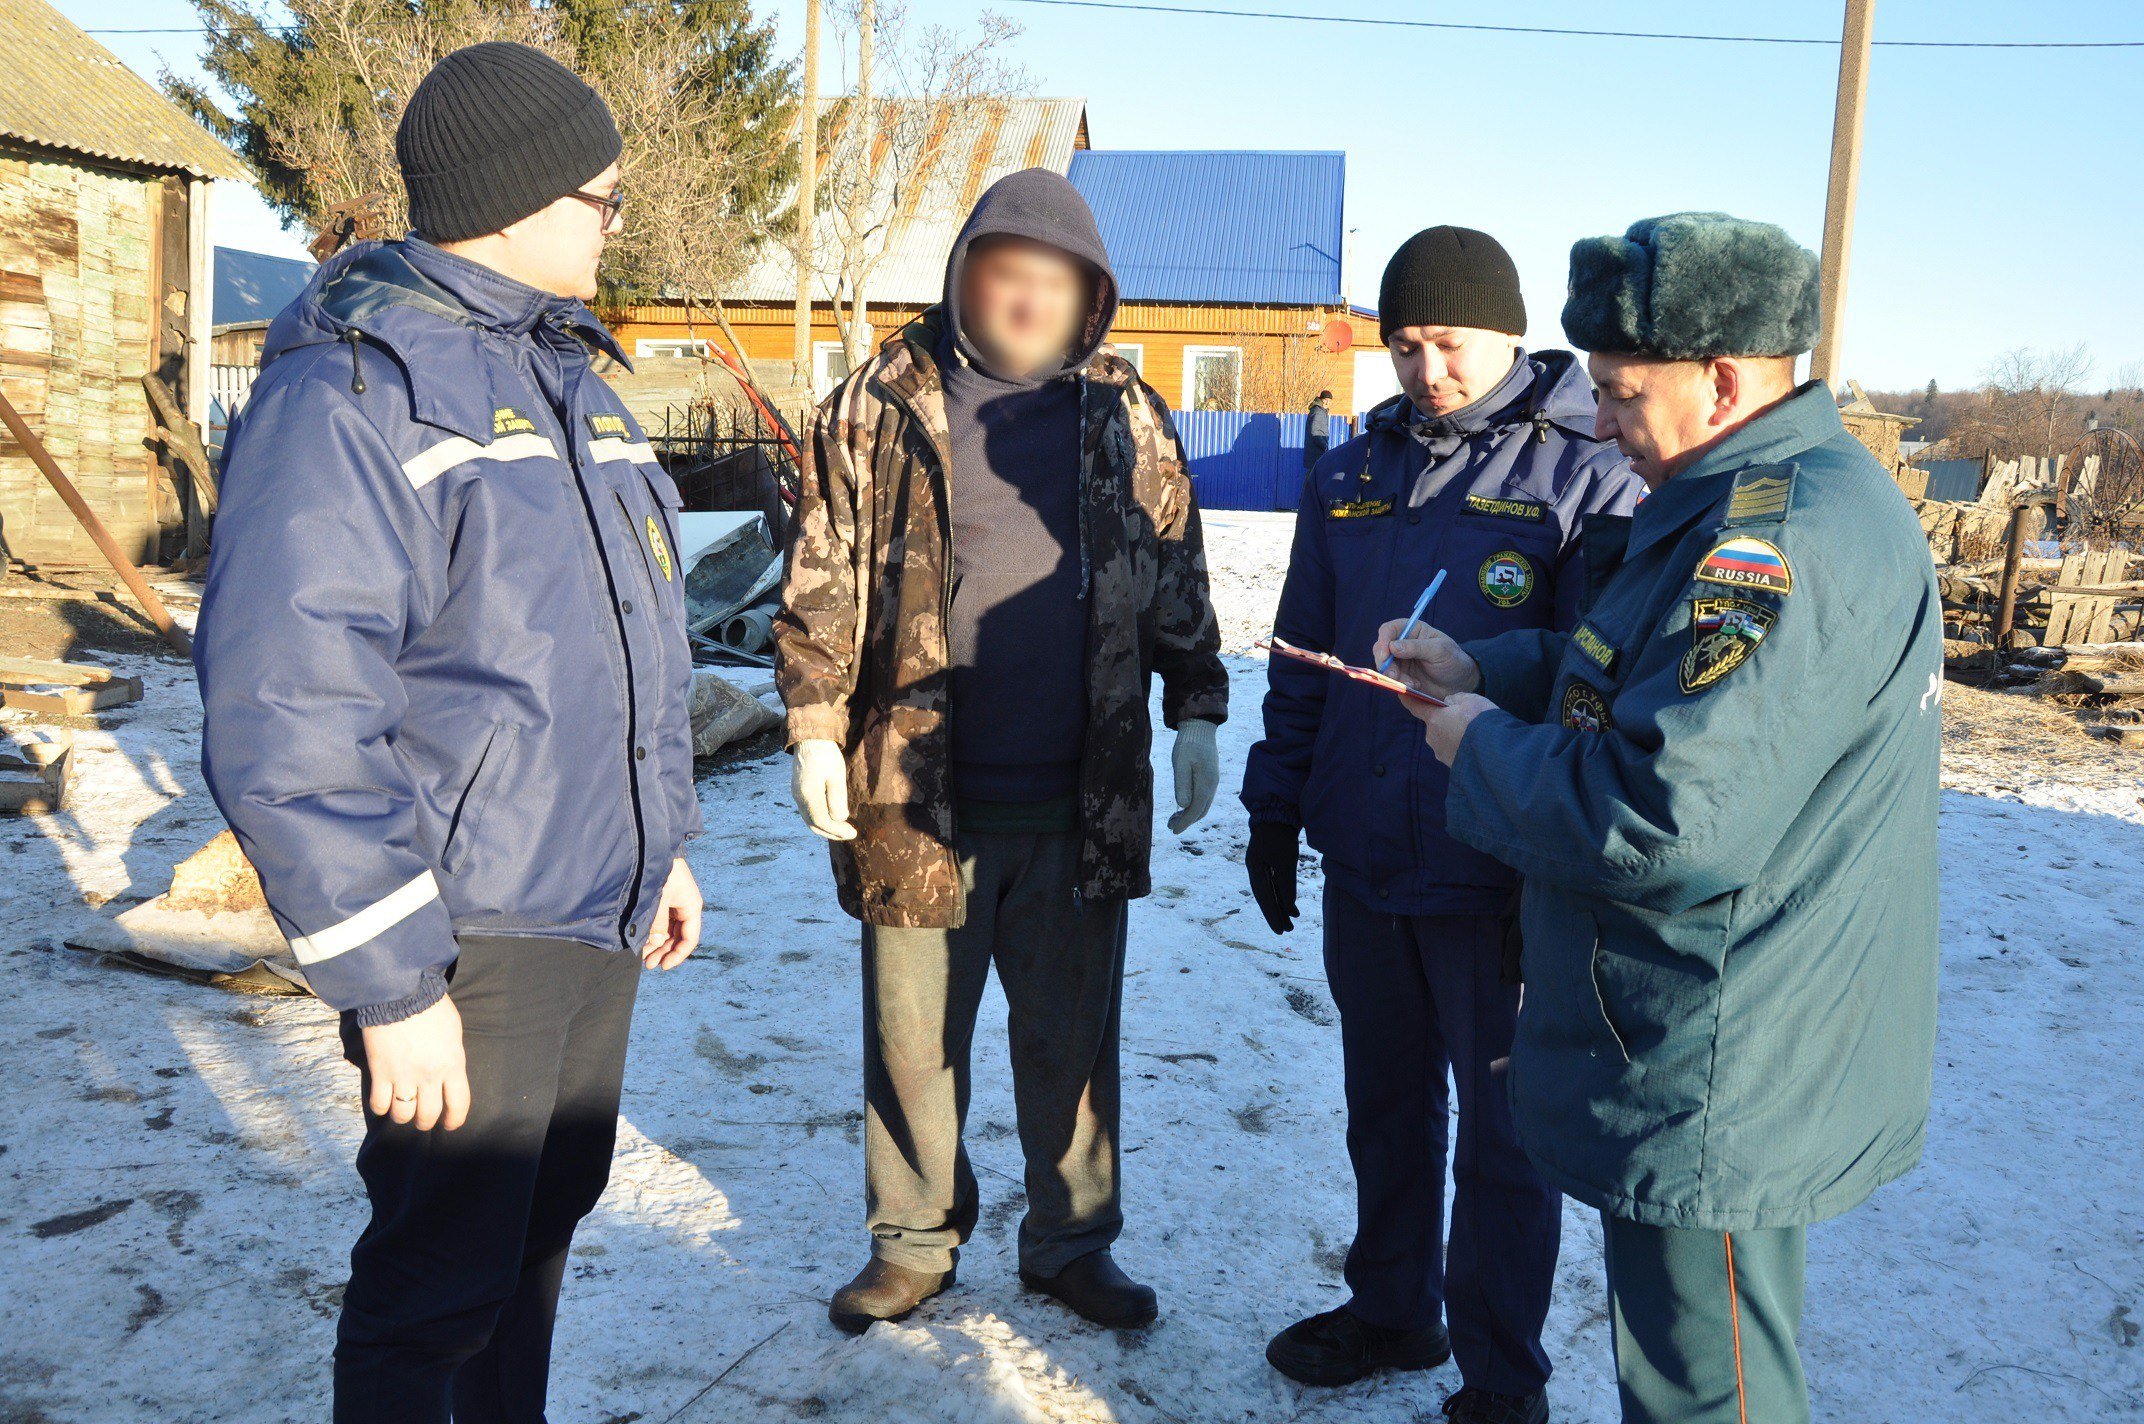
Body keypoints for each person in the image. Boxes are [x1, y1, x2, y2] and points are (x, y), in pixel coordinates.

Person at [196, 43, 703, 1423]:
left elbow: (629, 643)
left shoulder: (567, 376)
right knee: (438, 1283)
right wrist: (392, 985)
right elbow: (288, 708)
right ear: (519, 193)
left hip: (589, 906)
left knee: (533, 1242)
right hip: (465, 928)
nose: (615, 219)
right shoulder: (356, 391)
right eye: (601, 195)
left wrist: (663, 836)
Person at [1377, 212, 1941, 1424]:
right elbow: (1629, 667)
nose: (1600, 421)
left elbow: (1664, 812)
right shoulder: (1721, 496)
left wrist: (1476, 747)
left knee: (1705, 1384)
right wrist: (1492, 674)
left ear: (1723, 379)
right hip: (1703, 1024)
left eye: (1623, 394)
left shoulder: (1773, 541)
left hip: (1720, 1051)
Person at [774, 167, 1227, 1336]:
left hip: (1081, 792)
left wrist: (1195, 708)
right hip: (915, 794)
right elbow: (820, 574)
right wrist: (815, 723)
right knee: (913, 1041)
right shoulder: (878, 400)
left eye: (1054, 284)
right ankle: (913, 1240)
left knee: (1068, 1037)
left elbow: (1175, 563)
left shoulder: (1123, 410)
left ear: (1091, 299)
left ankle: (1071, 1240)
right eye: (1006, 275)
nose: (1027, 303)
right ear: (963, 275)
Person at [1241, 226, 1641, 1424]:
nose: (1426, 369)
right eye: (1404, 343)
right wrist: (1274, 802)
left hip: (1500, 868)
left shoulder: (1584, 470)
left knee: (1505, 1134)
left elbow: (1593, 682)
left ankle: (1500, 1376)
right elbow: (1300, 654)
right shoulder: (1353, 470)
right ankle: (1390, 1305)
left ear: (1510, 334)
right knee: (1383, 1104)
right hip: (1366, 852)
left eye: (1450, 343)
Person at [1304, 387, 1334, 469]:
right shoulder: (1318, 412)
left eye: (1330, 400)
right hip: (1316, 451)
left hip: (1315, 451)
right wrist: (1323, 445)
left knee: (1314, 477)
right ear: (1322, 400)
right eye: (1326, 400)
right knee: (1313, 477)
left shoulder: (1319, 411)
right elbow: (1315, 431)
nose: (1328, 402)